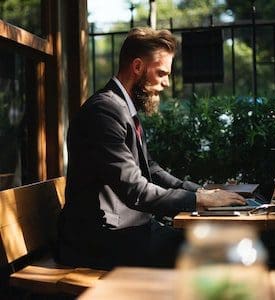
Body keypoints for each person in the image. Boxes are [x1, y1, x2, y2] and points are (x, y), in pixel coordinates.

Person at [57, 27, 245, 270]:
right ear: (137, 67)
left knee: (216, 244)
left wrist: (202, 192)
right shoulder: (103, 112)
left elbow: (151, 169)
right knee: (215, 251)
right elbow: (135, 190)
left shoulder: (121, 108)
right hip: (98, 241)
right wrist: (198, 199)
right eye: (161, 73)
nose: (167, 83)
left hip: (127, 230)